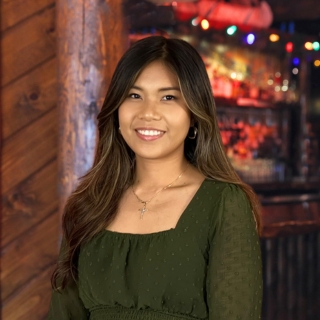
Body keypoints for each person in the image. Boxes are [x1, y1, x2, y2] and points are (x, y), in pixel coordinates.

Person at [47, 35, 262, 320]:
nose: (148, 113)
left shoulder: (223, 204)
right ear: (117, 110)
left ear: (194, 114)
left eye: (168, 97)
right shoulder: (88, 204)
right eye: (134, 96)